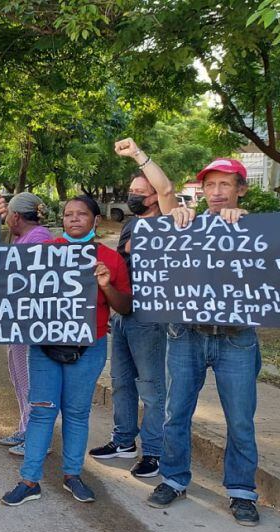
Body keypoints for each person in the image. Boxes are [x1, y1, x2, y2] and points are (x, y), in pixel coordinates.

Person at [147, 158, 261, 527]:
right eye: (210, 185)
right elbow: (165, 194)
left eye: (225, 184)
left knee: (240, 420)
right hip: (186, 335)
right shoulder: (186, 224)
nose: (216, 192)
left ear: (241, 189)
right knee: (176, 413)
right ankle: (173, 479)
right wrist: (176, 218)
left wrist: (245, 224)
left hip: (237, 339)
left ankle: (242, 491)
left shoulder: (257, 230)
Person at [1, 195, 132, 506]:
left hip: (88, 348)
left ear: (95, 220)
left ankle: (73, 475)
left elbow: (125, 307)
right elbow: (9, 285)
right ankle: (29, 480)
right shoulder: (43, 252)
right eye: (68, 214)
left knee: (76, 413)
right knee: (42, 411)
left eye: (81, 214)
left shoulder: (109, 259)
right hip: (45, 347)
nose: (74, 218)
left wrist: (105, 285)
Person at [88, 138, 178, 478]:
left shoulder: (169, 221)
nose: (133, 195)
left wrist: (138, 155)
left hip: (151, 318)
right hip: (123, 315)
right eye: (131, 190)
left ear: (154, 196)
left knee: (151, 388)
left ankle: (153, 451)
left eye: (140, 191)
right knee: (121, 382)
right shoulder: (130, 225)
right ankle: (123, 440)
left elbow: (167, 188)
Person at [0, 192, 53, 456]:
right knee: (19, 376)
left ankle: (38, 437)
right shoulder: (21, 237)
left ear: (15, 216)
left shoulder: (39, 238)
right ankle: (26, 427)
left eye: (8, 214)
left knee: (31, 380)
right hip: (18, 322)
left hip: (31, 324)